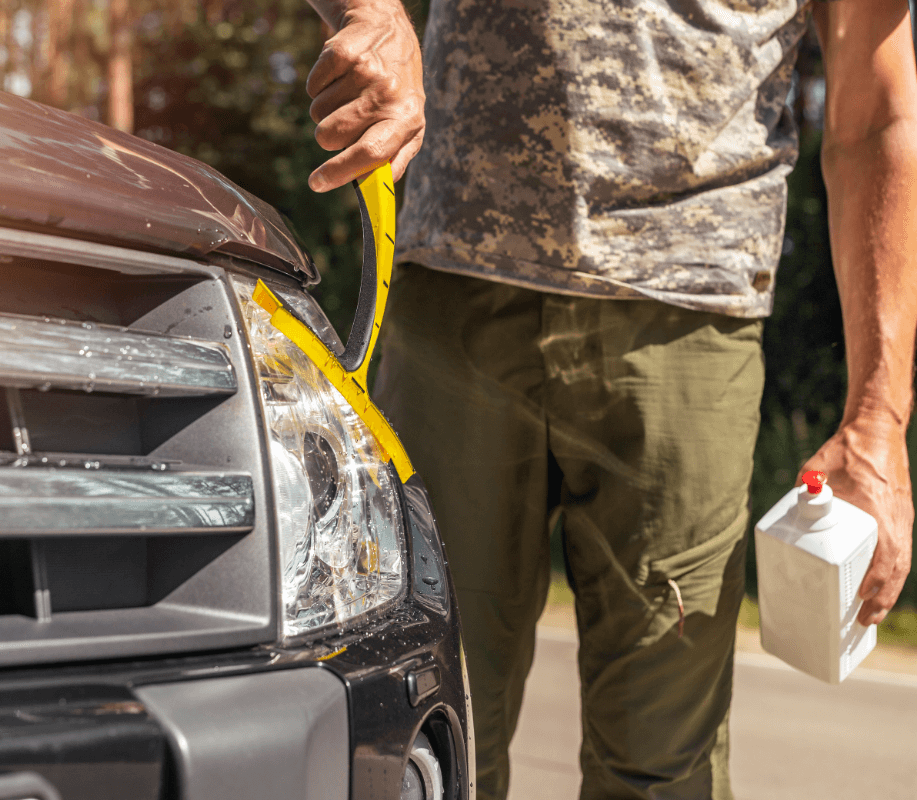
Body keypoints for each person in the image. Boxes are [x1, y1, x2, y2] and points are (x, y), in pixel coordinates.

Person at [301, 0, 917, 797]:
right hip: (453, 291)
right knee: (419, 735)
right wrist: (371, 12)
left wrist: (878, 421)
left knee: (663, 770)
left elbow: (876, 114)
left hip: (689, 321)